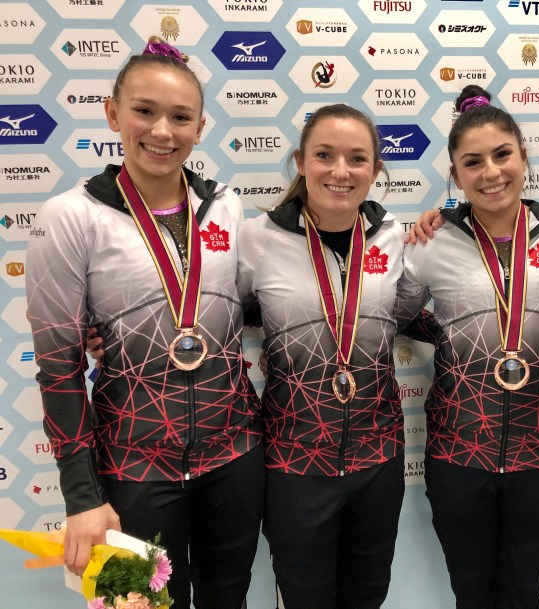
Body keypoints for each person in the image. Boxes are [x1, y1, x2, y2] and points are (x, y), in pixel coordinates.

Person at [26, 37, 264, 609]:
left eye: (180, 117)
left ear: (200, 126)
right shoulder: (72, 216)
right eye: (144, 111)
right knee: (141, 605)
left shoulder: (226, 208)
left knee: (227, 595)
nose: (162, 131)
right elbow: (58, 369)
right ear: (113, 113)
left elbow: (249, 308)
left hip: (233, 453)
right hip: (133, 461)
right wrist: (81, 496)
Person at [395, 85, 539, 609]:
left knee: (525, 591)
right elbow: (393, 313)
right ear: (456, 176)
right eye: (472, 162)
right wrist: (450, 337)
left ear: (524, 156)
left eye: (503, 155)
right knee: (472, 592)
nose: (491, 172)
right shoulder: (431, 242)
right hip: (458, 455)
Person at [236, 103, 406, 609]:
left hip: (378, 457)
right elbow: (213, 310)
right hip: (294, 459)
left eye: (357, 159)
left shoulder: (395, 237)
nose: (340, 171)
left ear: (376, 171)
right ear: (300, 161)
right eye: (325, 155)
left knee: (369, 594)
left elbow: (416, 309)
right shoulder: (257, 239)